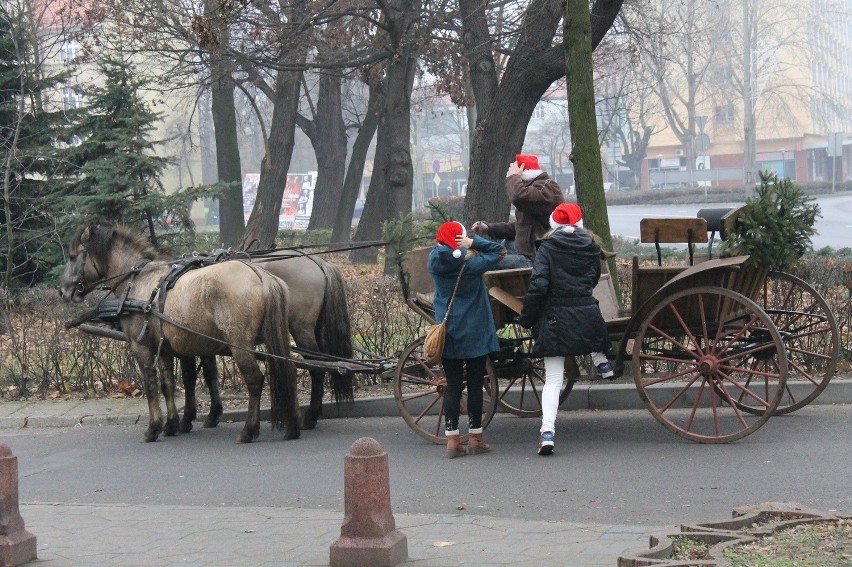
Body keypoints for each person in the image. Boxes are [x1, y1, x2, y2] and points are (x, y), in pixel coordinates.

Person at [518, 203, 613, 456]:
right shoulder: (591, 247)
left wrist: (526, 318)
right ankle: (601, 360)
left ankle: (547, 433)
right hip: (587, 315)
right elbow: (592, 280)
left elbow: (538, 286)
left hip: (555, 319)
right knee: (590, 332)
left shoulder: (547, 248)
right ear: (580, 224)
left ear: (554, 224)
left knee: (553, 379)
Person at [428, 221, 506, 458]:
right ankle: (475, 438)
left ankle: (452, 440)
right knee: (474, 384)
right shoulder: (472, 264)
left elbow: (443, 248)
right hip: (475, 331)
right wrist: (473, 241)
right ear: (460, 239)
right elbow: (499, 252)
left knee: (452, 385)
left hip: (449, 330)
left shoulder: (433, 260)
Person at [471, 154, 564, 268]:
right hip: (527, 253)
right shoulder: (534, 190)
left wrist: (513, 176)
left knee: (484, 262)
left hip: (538, 258)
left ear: (523, 176)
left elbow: (519, 196)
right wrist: (489, 228)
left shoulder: (547, 188)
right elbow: (522, 227)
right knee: (498, 247)